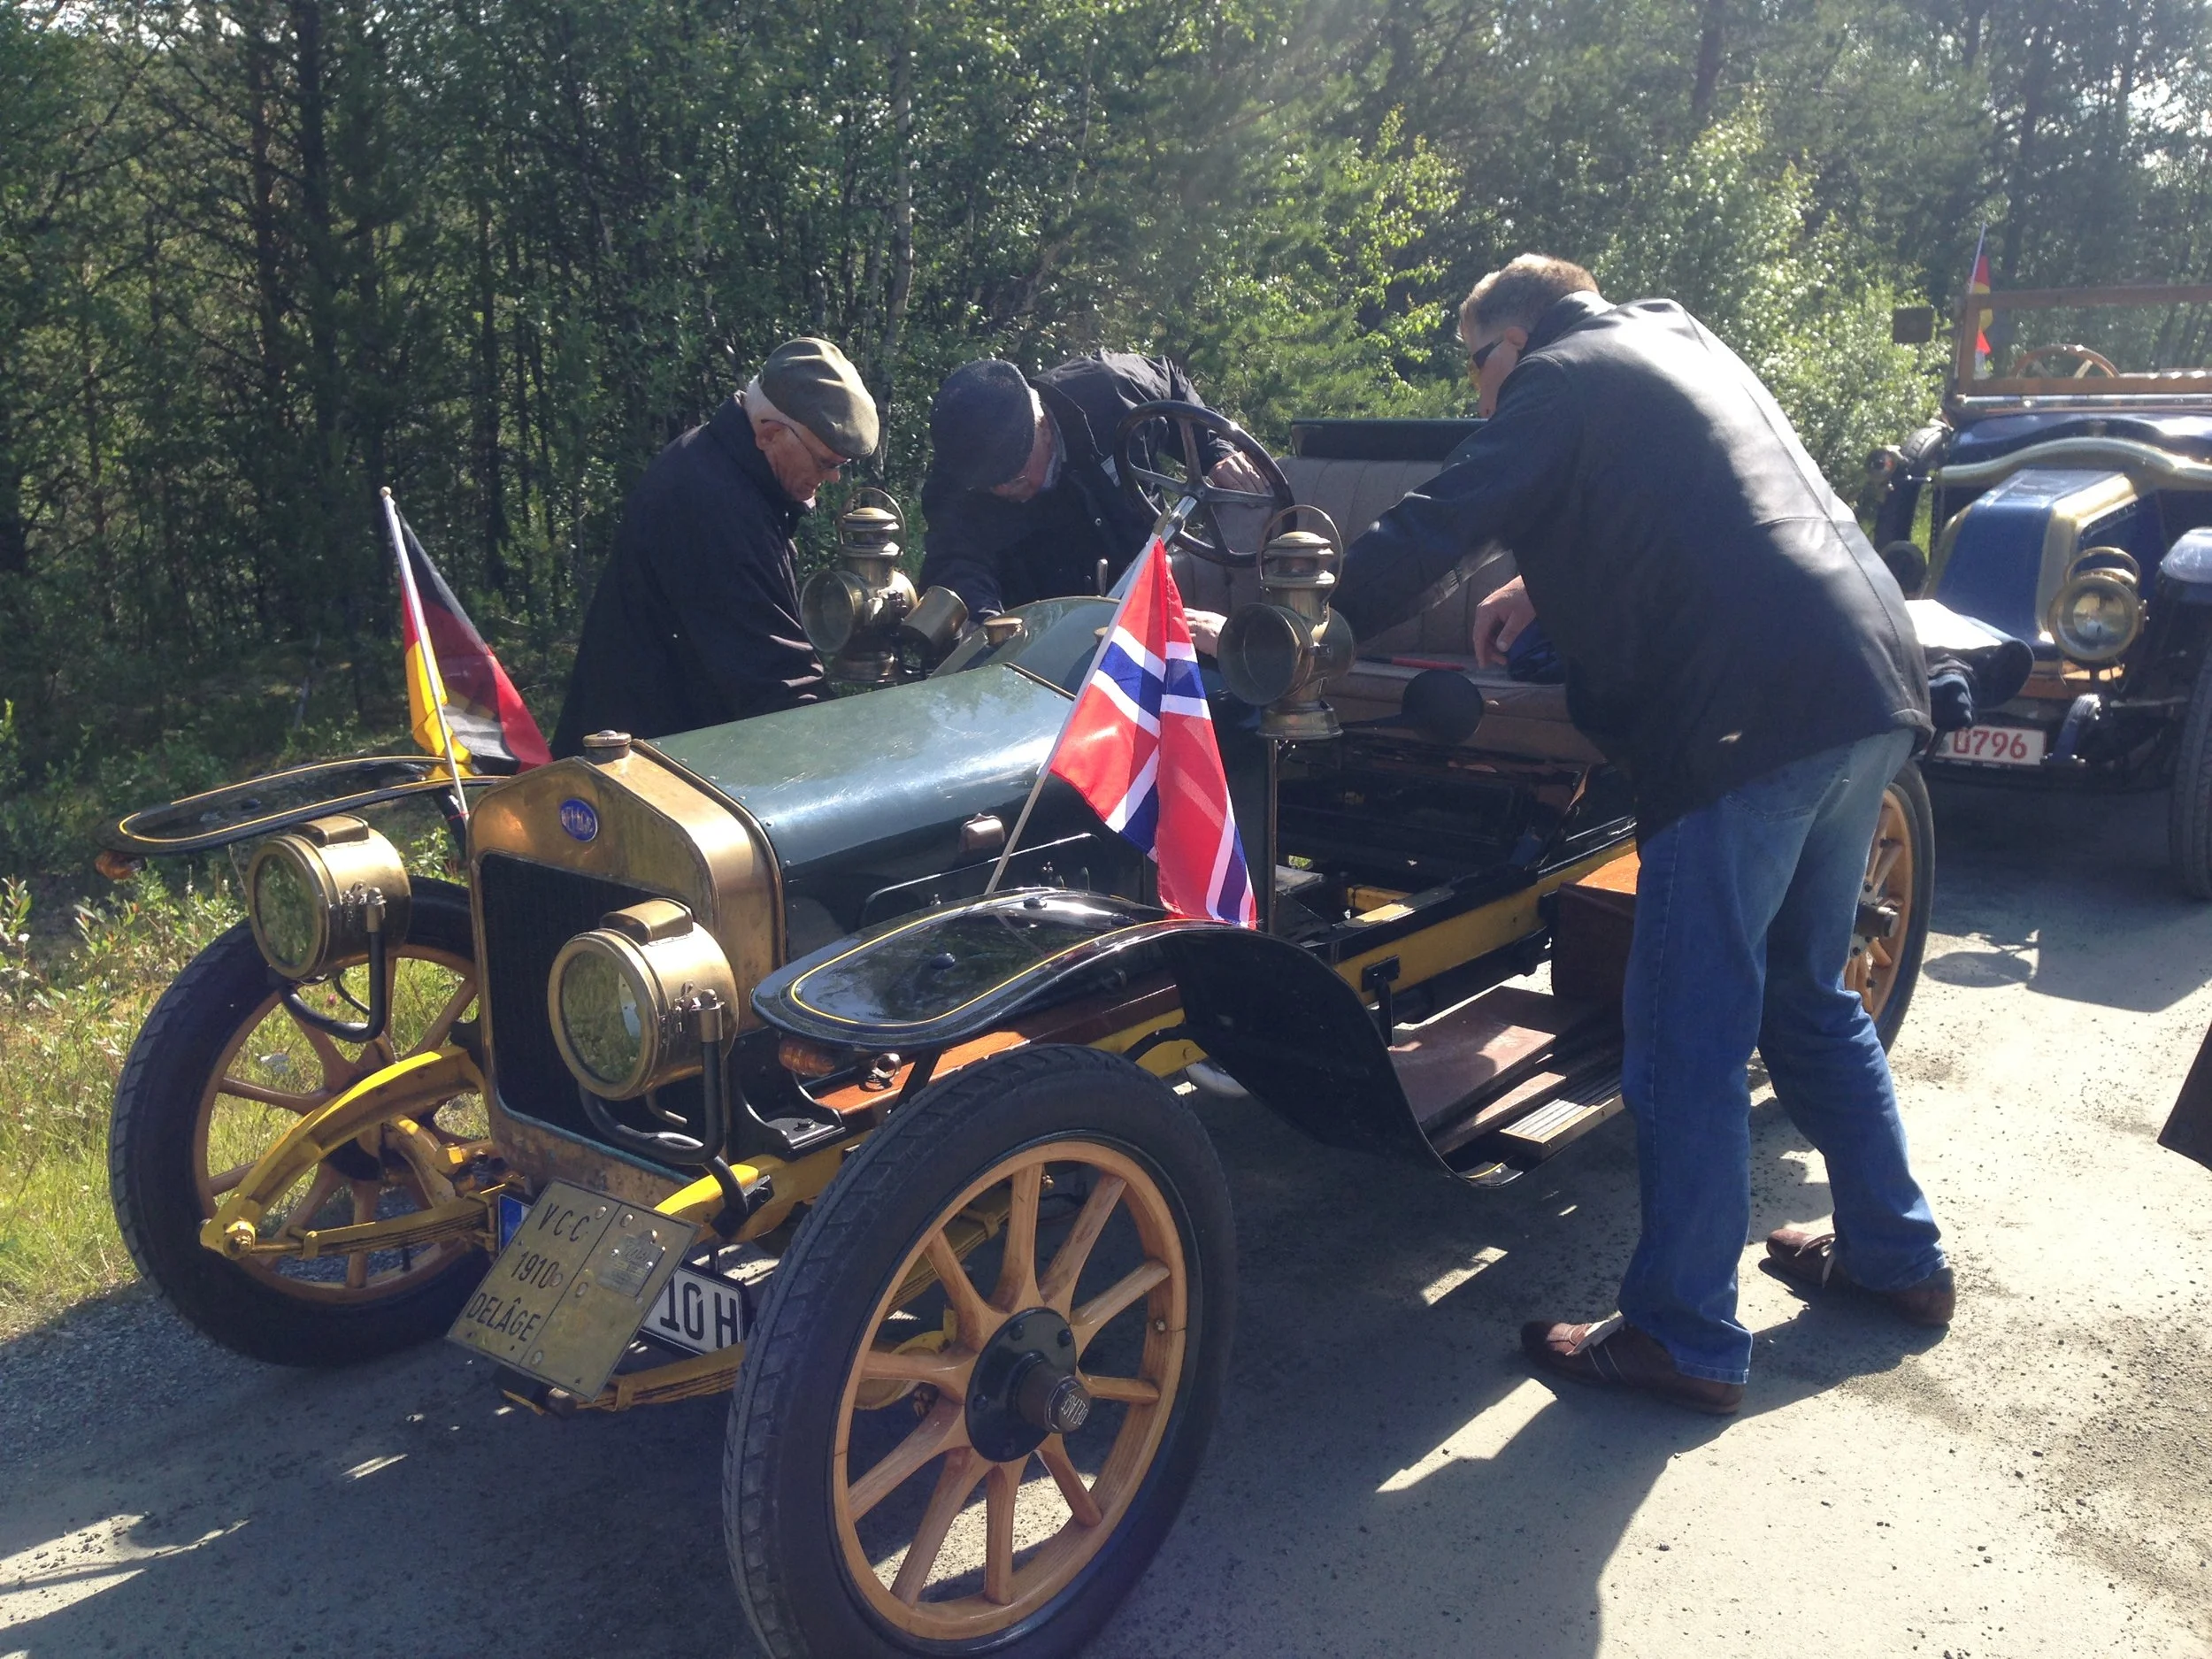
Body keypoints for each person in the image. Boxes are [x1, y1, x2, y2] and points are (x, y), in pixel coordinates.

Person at [1332, 254, 1950, 1414]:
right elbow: (1686, 517)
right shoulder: (1677, 336)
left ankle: (1684, 1331)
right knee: (1805, 991)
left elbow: (1442, 515)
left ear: (1507, 339)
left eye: (1476, 367)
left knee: (1686, 1031)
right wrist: (1543, 586)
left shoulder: (1554, 376)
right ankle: (1897, 1254)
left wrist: (1311, 625)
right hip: (1865, 679)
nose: (1479, 396)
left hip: (1747, 720)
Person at [551, 337, 879, 754]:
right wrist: (853, 754)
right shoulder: (710, 503)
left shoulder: (729, 469)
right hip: (633, 779)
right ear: (770, 434)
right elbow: (775, 684)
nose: (833, 479)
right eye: (826, 463)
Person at [917, 352, 1268, 617]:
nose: (1002, 492)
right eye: (988, 486)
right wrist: (981, 620)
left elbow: (1172, 384)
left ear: (1043, 428)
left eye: (1014, 478)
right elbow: (955, 559)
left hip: (1147, 594)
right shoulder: (961, 468)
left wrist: (1215, 452)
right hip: (1041, 629)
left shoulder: (1111, 390)